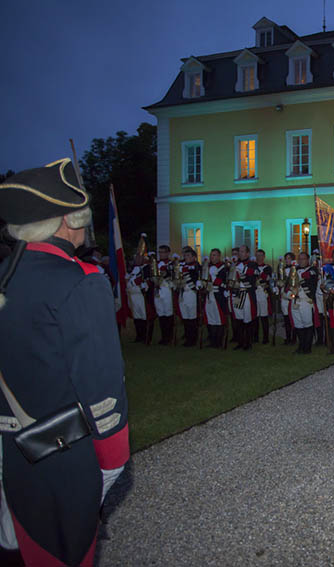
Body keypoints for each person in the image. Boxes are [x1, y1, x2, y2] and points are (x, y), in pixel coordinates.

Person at [0, 159, 129, 566]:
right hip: (55, 459)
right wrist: (112, 464)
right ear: (70, 220)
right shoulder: (81, 281)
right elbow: (102, 386)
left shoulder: (6, 275)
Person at [287, 252, 319, 354]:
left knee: (308, 324)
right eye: (299, 259)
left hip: (306, 301)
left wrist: (297, 277)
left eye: (303, 259)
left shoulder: (312, 269)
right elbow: (288, 283)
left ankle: (307, 347)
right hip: (295, 300)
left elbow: (308, 276)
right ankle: (301, 346)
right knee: (298, 325)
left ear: (307, 260)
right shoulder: (294, 270)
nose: (301, 261)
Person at [231, 245, 258, 351]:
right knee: (239, 318)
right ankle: (240, 342)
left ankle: (248, 342)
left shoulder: (252, 264)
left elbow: (256, 273)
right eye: (239, 252)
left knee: (248, 319)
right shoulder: (235, 264)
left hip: (247, 294)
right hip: (237, 293)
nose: (240, 253)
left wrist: (244, 269)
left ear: (247, 253)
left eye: (242, 252)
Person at [203, 248, 229, 348]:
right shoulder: (207, 266)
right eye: (211, 255)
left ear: (219, 256)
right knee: (211, 318)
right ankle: (212, 341)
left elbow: (224, 283)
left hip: (218, 296)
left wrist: (214, 278)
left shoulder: (223, 268)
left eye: (214, 255)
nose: (212, 257)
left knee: (219, 319)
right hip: (209, 294)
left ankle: (218, 341)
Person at [126, 250, 153, 343]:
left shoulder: (146, 268)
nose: (136, 259)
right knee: (137, 316)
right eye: (136, 257)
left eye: (139, 257)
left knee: (144, 315)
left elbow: (147, 279)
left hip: (141, 294)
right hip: (133, 294)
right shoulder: (133, 268)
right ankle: (139, 335)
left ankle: (146, 336)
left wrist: (137, 282)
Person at [154, 244, 176, 345]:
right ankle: (163, 336)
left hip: (167, 288)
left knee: (168, 312)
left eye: (163, 252)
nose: (161, 254)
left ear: (167, 253)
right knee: (161, 312)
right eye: (160, 252)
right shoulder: (155, 264)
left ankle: (169, 336)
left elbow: (173, 276)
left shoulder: (171, 263)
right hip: (158, 290)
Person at [178, 247, 201, 347]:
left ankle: (193, 339)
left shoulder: (197, 267)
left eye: (188, 256)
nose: (186, 258)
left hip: (191, 293)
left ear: (194, 257)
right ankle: (187, 337)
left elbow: (197, 280)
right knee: (185, 317)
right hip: (183, 293)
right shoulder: (181, 267)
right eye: (185, 256)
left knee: (192, 317)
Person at [254, 249, 273, 344]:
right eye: (257, 255)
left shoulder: (267, 267)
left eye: (261, 255)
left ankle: (266, 338)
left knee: (264, 316)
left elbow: (265, 277)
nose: (259, 257)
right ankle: (255, 337)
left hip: (264, 294)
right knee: (255, 316)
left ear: (264, 256)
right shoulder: (252, 266)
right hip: (255, 293)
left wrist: (257, 277)